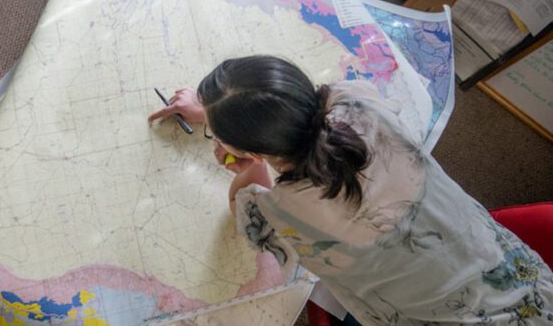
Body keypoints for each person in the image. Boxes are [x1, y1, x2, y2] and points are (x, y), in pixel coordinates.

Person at [147, 55, 553, 325]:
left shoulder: (284, 210)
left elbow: (242, 205)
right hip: (529, 289)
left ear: (249, 149)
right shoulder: (358, 100)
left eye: (214, 136)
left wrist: (247, 160)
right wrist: (224, 118)